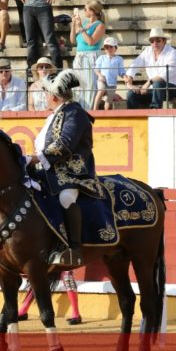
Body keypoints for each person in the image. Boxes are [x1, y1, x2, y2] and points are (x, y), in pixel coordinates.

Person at [27, 69, 102, 266]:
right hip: (49, 169)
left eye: (45, 93)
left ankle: (74, 249)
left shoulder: (75, 113)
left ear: (53, 95)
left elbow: (65, 144)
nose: (44, 97)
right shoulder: (55, 115)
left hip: (73, 171)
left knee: (66, 197)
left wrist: (37, 158)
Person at [8, 0, 69, 70]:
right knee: (30, 41)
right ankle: (32, 69)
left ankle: (58, 68)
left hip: (44, 7)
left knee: (50, 40)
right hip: (28, 7)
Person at [125, 27, 176, 109]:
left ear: (164, 41)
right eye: (152, 41)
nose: (155, 43)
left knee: (157, 84)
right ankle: (134, 118)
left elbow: (167, 73)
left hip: (172, 89)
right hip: (153, 89)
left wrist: (149, 82)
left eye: (158, 40)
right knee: (131, 94)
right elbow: (134, 64)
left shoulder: (172, 52)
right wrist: (129, 81)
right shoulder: (147, 51)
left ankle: (154, 111)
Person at [69, 0, 106, 110]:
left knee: (90, 86)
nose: (84, 11)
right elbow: (72, 40)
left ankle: (89, 110)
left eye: (86, 9)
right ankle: (79, 109)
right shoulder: (84, 23)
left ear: (92, 11)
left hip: (91, 57)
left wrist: (81, 28)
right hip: (79, 56)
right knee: (78, 86)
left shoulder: (100, 25)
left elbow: (91, 42)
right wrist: (73, 25)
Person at [93, 37, 125, 110]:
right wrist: (100, 76)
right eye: (106, 47)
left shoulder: (119, 59)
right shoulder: (101, 57)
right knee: (101, 91)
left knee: (108, 101)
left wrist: (124, 76)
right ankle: (94, 110)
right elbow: (96, 69)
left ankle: (106, 114)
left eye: (111, 47)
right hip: (102, 80)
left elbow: (121, 71)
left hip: (112, 83)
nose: (109, 49)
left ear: (115, 48)